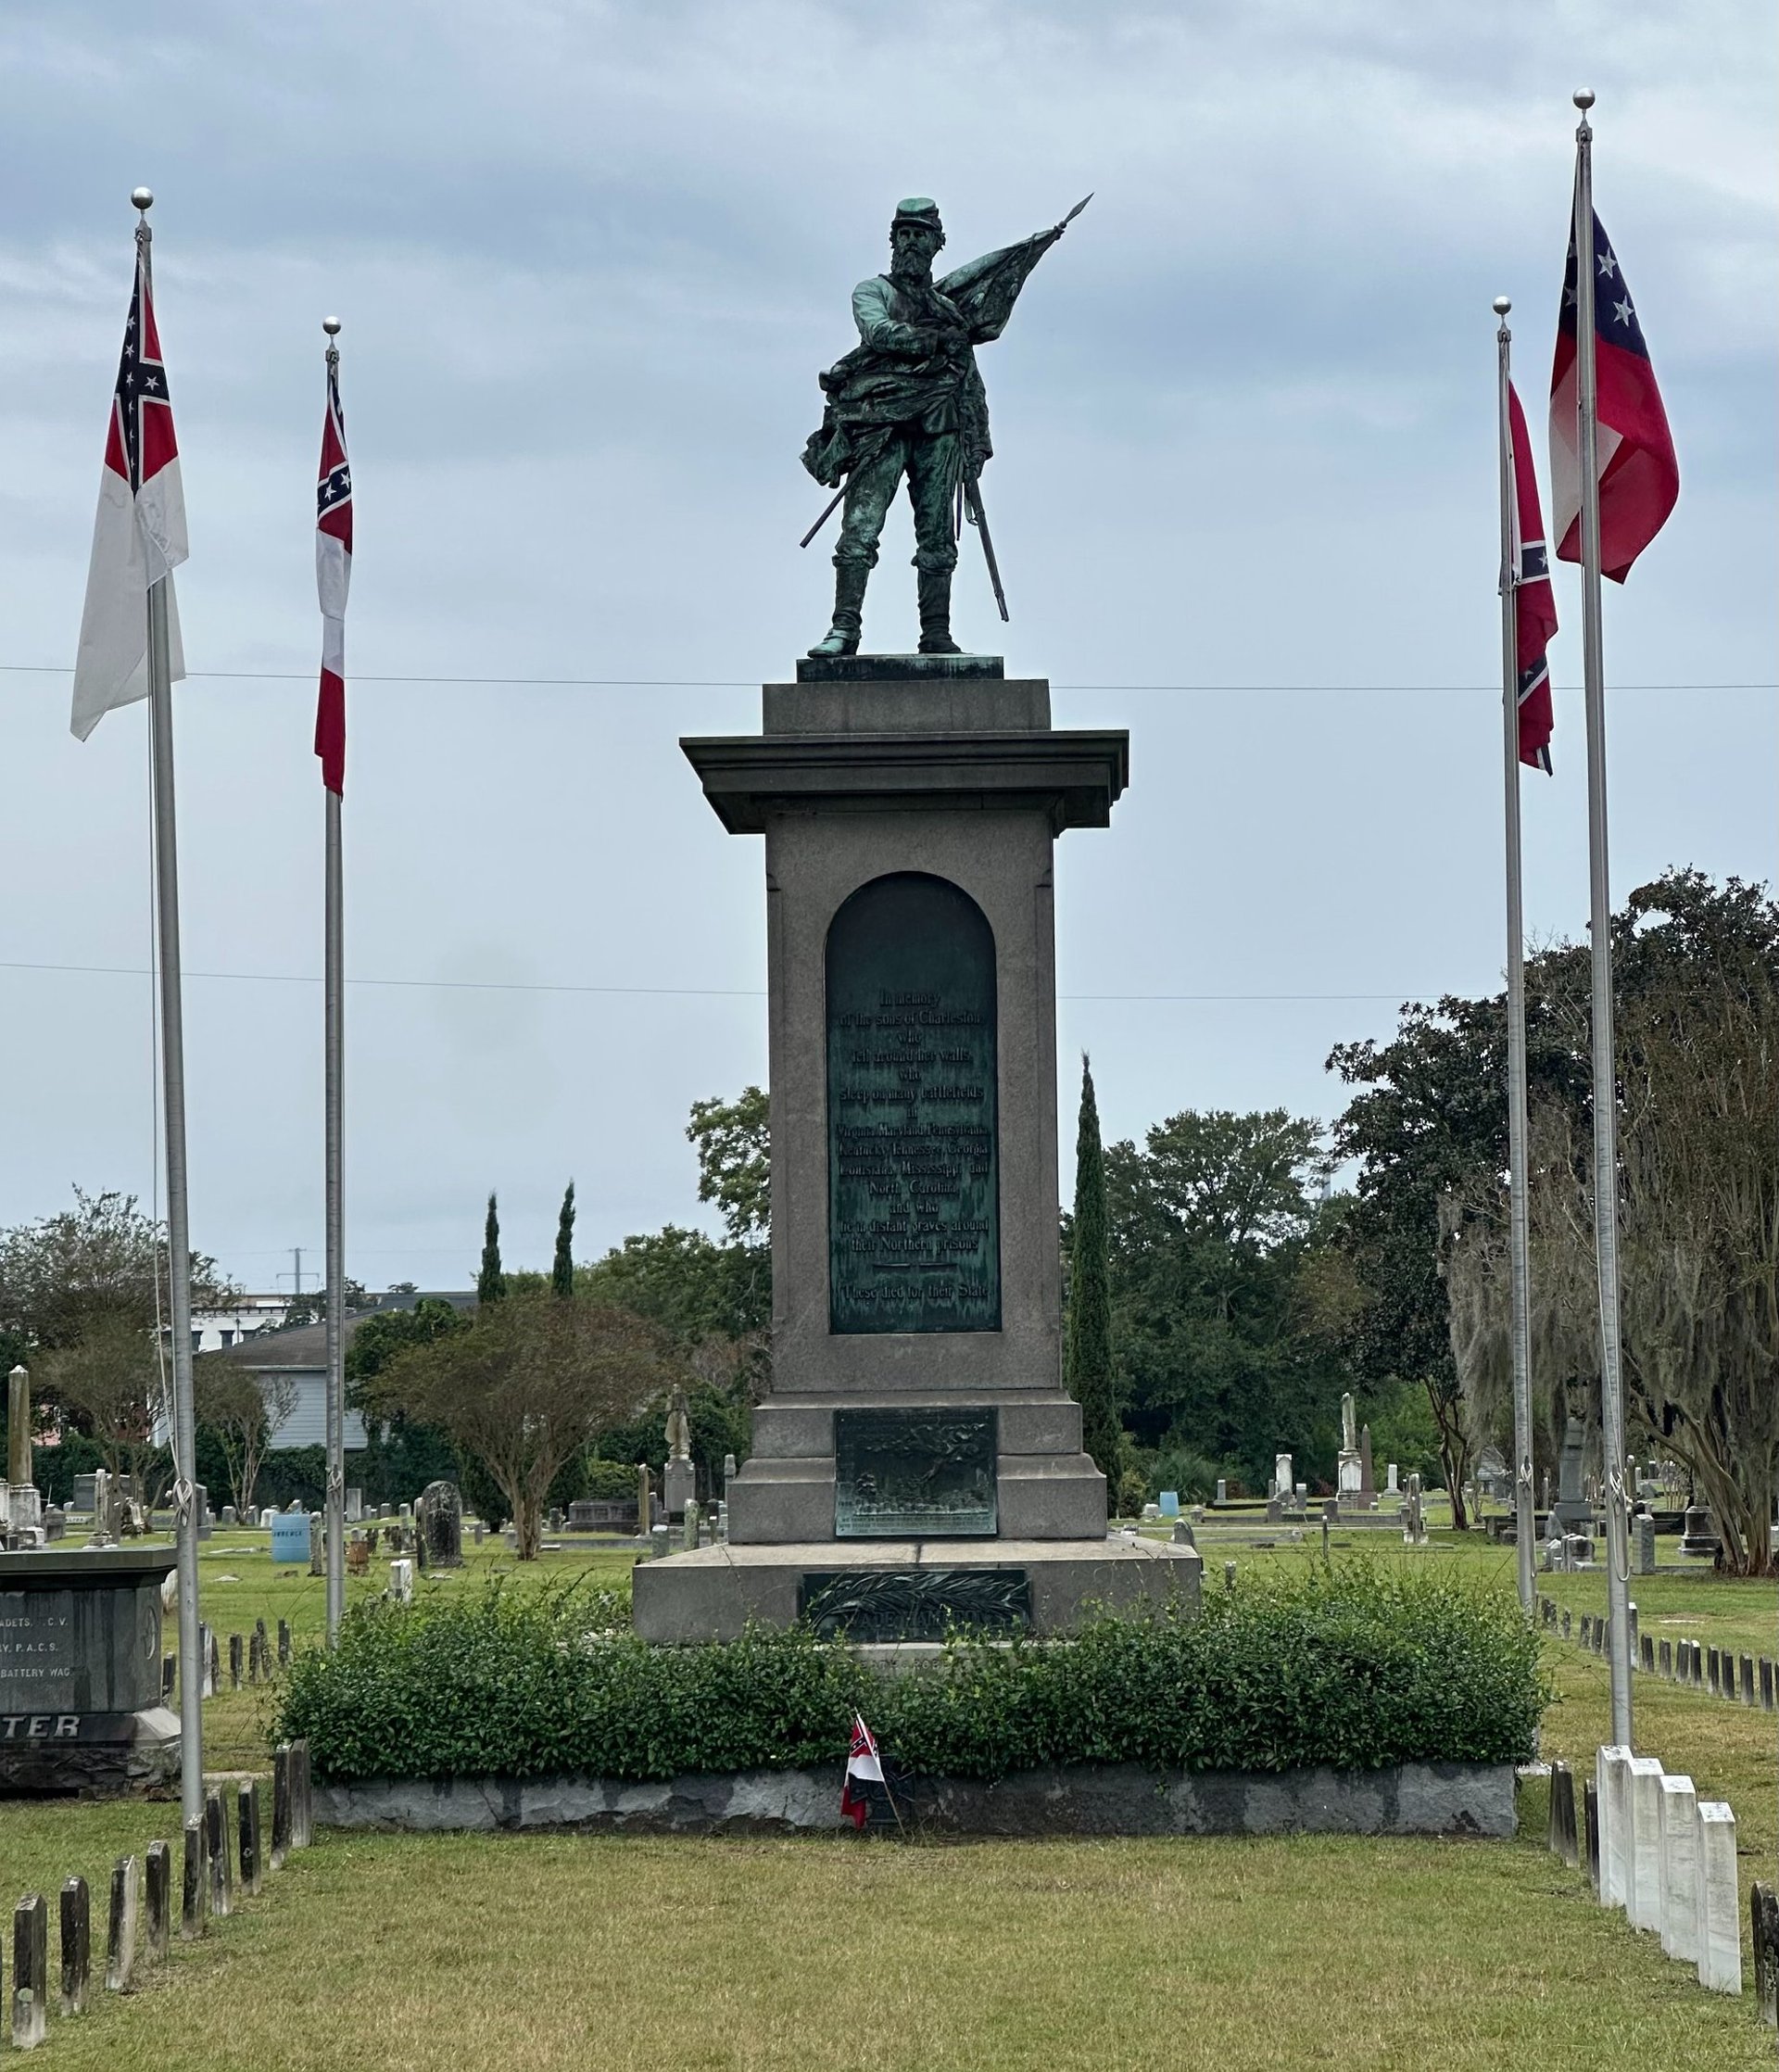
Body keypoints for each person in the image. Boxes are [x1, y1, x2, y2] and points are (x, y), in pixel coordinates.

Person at [803, 196, 1077, 658]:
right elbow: (879, 333)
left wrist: (978, 439)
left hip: (941, 428)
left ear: (936, 243)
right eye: (904, 234)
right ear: (893, 242)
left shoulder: (950, 311)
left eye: (920, 234)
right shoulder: (872, 292)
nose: (911, 242)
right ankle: (844, 628)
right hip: (881, 424)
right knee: (860, 530)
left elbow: (968, 381)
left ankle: (936, 632)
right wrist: (932, 339)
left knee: (937, 537)